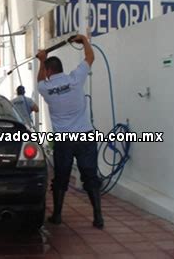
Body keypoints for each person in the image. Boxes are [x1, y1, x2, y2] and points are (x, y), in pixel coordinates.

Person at [37, 34, 104, 229]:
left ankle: (57, 216)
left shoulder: (46, 88)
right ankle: (98, 217)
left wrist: (41, 60)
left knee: (61, 178)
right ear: (61, 69)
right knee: (90, 176)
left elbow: (40, 80)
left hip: (64, 140)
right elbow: (90, 58)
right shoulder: (76, 78)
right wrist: (84, 41)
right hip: (85, 136)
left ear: (49, 70)